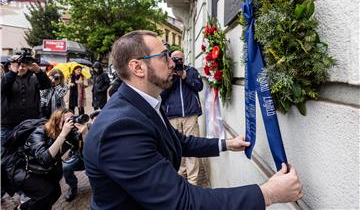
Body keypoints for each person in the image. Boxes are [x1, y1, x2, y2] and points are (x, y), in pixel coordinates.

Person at [83, 30, 303, 209]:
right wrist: (268, 193)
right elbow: (182, 202)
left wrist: (226, 144)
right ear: (138, 67)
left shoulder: (143, 102)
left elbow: (179, 141)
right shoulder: (121, 127)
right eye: (164, 57)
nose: (172, 64)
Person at [12, 108, 81, 210]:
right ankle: (21, 208)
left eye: (72, 119)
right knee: (46, 194)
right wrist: (62, 135)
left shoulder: (65, 132)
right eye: (67, 120)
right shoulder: (39, 133)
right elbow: (44, 158)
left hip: (45, 171)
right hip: (28, 171)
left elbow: (78, 148)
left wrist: (82, 134)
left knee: (56, 192)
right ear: (57, 121)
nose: (70, 122)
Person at [160, 50, 203, 185]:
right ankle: (179, 177)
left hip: (190, 115)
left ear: (184, 59)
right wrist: (171, 79)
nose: (177, 61)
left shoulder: (191, 71)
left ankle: (192, 181)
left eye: (179, 58)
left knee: (193, 148)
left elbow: (199, 86)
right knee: (176, 148)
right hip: (172, 116)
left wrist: (185, 76)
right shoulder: (166, 73)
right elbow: (161, 95)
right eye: (174, 58)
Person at [1, 55, 51, 154]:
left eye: (23, 66)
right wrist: (12, 72)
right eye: (18, 65)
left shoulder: (33, 79)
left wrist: (38, 71)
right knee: (4, 156)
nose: (20, 68)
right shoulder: (6, 78)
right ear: (11, 66)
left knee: (26, 155)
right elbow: (3, 88)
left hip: (29, 125)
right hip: (8, 126)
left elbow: (47, 85)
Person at [62, 110, 99, 202]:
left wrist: (85, 133)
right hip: (80, 157)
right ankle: (73, 187)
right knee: (65, 167)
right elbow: (73, 142)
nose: (74, 120)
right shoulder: (68, 133)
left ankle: (98, 191)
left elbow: (93, 149)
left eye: (74, 117)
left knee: (92, 173)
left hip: (93, 158)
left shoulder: (90, 127)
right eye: (70, 119)